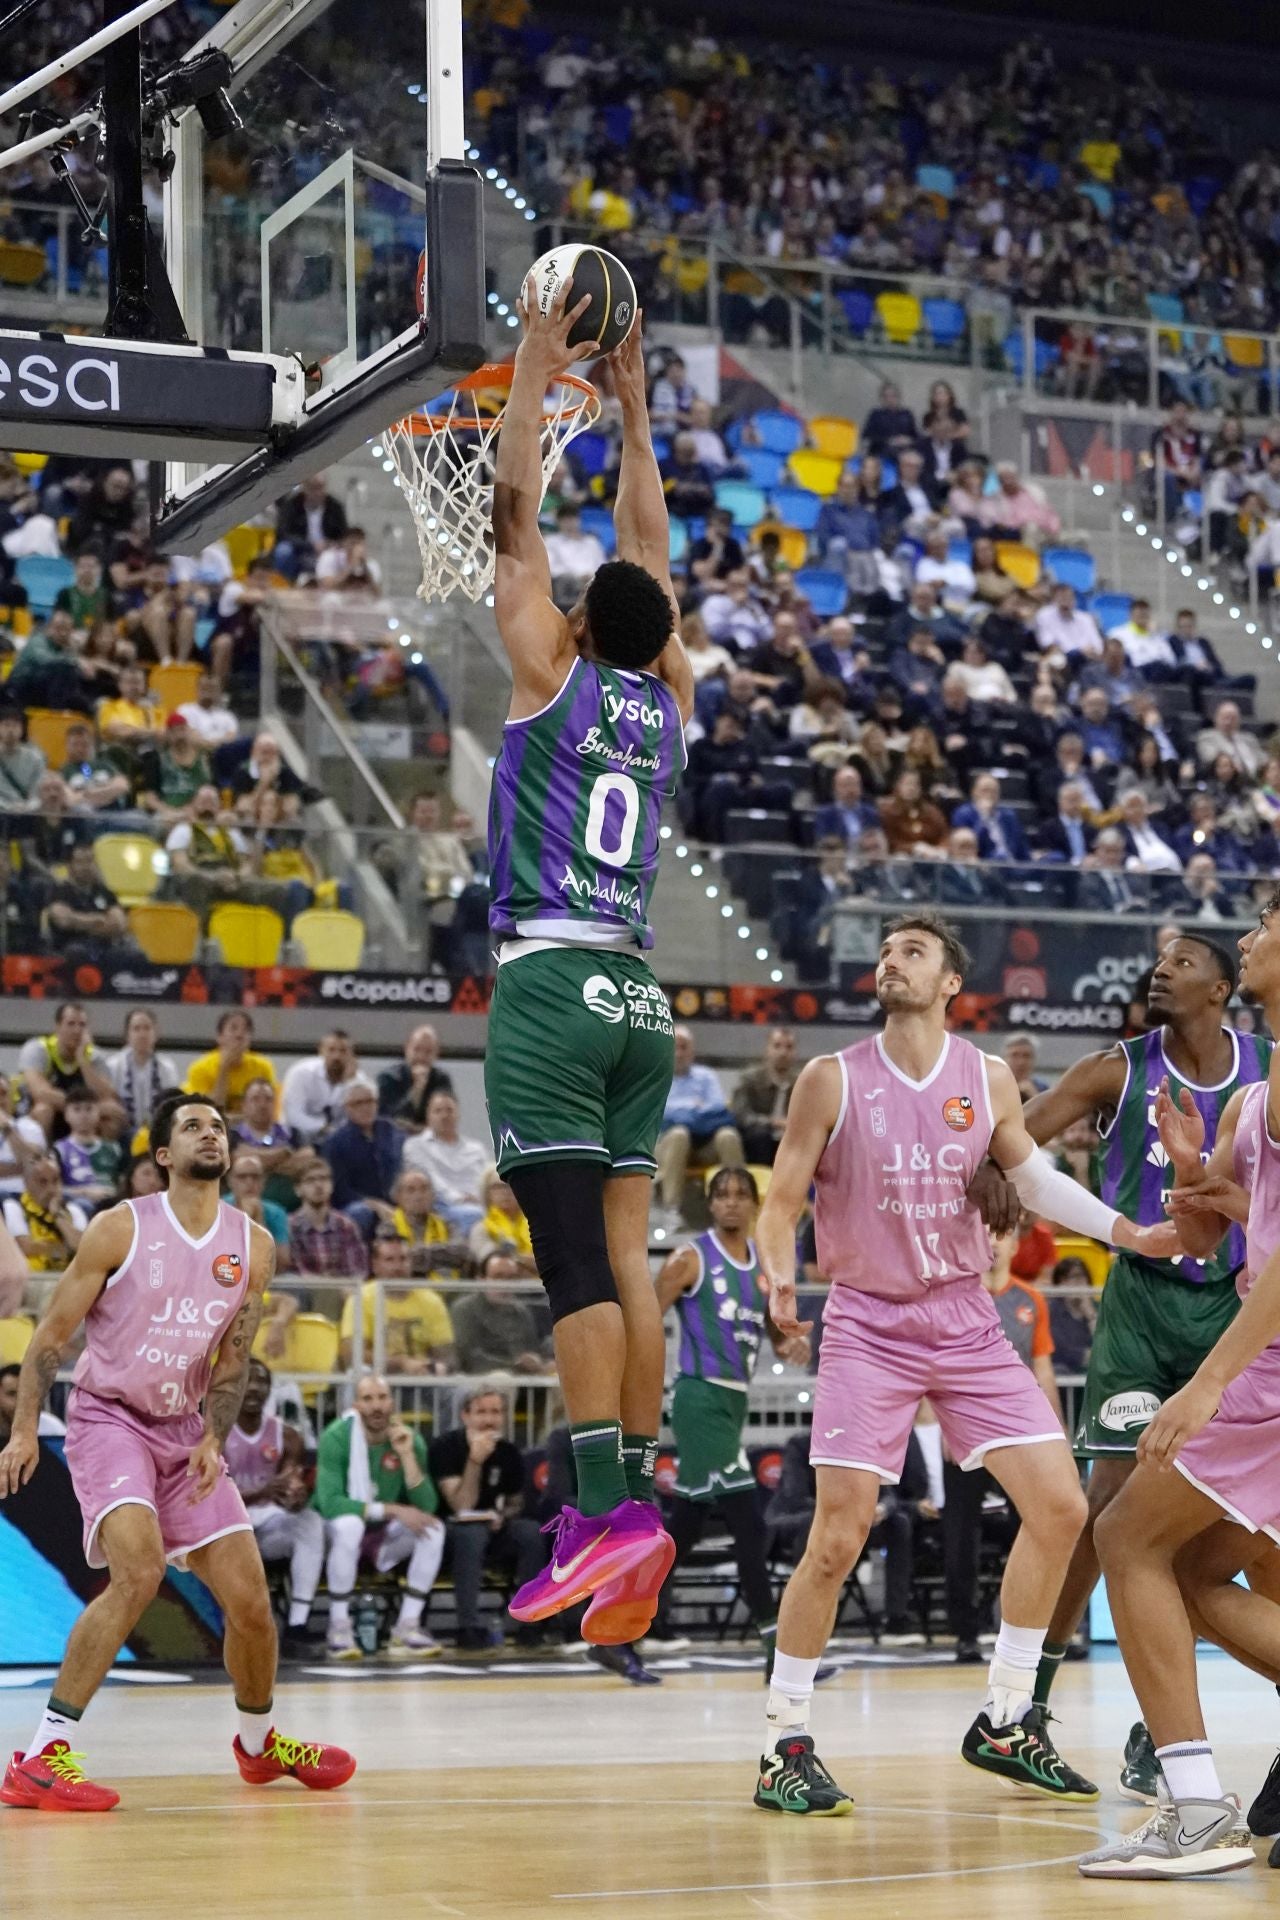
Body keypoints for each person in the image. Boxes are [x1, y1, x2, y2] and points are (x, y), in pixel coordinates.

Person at [751, 910, 1175, 1815]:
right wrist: (778, 1279)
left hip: (964, 1318)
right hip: (867, 1320)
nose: (889, 961)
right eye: (886, 951)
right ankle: (783, 1739)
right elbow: (780, 1199)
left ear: (951, 982)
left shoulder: (984, 1077)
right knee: (838, 1536)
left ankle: (1007, 1717)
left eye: (912, 952)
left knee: (1063, 1509)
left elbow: (1032, 1180)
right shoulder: (831, 1080)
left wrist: (1130, 1231)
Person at [482, 282, 692, 1645]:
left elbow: (511, 516)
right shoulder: (670, 705)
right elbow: (649, 561)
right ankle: (642, 1501)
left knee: (571, 1271)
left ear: (573, 630)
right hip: (642, 998)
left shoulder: (546, 675)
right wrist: (627, 409)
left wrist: (528, 373)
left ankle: (603, 1513)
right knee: (627, 1257)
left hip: (555, 985)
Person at [0, 1090, 353, 1809]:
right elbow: (50, 1337)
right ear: (164, 1154)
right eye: (193, 1126)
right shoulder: (118, 1228)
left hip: (185, 1430)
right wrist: (24, 1427)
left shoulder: (253, 1244)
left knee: (252, 1604)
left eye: (217, 1125)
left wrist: (215, 1437)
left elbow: (234, 1362)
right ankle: (41, 1754)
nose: (210, 1133)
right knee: (137, 1573)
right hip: (109, 1420)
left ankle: (258, 1750)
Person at [1014, 933, 1271, 1801]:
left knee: (1186, 1548)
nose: (1164, 966)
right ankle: (1033, 1711)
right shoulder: (1121, 1070)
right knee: (1122, 1522)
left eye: (1187, 959)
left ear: (1228, 988)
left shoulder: (1264, 1071)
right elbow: (1013, 1150)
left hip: (1240, 1322)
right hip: (1146, 1301)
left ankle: (1183, 1768)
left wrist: (1207, 1385)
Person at [1078, 900, 1280, 1878]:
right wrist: (1193, 1172)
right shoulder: (1248, 1099)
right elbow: (1220, 1232)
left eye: (1263, 929)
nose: (1247, 941)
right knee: (1194, 1577)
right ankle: (1196, 1800)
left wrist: (1204, 1385)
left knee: (1122, 1535)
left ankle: (1196, 1809)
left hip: (1263, 1363)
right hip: (1264, 1349)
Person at [652, 1168, 809, 1663]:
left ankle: (618, 1627)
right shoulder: (689, 1257)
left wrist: (788, 1343)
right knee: (748, 1524)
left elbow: (770, 1326)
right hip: (700, 1399)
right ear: (711, 1204)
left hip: (733, 1400)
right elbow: (646, 1313)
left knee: (688, 1525)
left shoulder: (762, 1265)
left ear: (755, 1206)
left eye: (742, 1196)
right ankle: (775, 1650)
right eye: (723, 1195)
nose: (732, 1204)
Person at [313, 1372, 444, 1660]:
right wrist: (393, 1509)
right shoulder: (336, 1437)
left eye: (382, 1398)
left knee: (434, 1529)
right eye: (368, 1399)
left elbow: (428, 1506)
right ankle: (339, 1627)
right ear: (356, 1405)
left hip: (380, 1535)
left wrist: (408, 1456)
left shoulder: (408, 1439)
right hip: (333, 1535)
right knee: (350, 1525)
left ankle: (407, 1627)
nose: (376, 1406)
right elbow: (330, 1504)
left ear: (392, 1403)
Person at [428, 1383, 547, 1650]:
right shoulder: (445, 1447)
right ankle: (467, 1626)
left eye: (495, 1412)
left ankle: (530, 1622)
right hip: (449, 1532)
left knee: (530, 1533)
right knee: (471, 1533)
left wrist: (503, 1516)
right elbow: (460, 1504)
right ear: (465, 1416)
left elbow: (516, 1502)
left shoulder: (509, 1452)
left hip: (492, 1527)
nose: (489, 1419)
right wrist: (475, 1461)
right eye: (481, 1412)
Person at [224, 1358, 325, 1654]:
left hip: (266, 1527)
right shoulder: (215, 1432)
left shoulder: (287, 1435)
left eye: (262, 1382)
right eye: (248, 1381)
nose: (255, 1388)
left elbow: (290, 1483)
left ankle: (297, 1625)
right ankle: (230, 1630)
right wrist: (262, 1491)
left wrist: (294, 1496)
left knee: (310, 1522)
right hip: (226, 1526)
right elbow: (207, 1496)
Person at [653, 1028, 746, 1225]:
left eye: (684, 1047)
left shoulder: (706, 1076)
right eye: (675, 1047)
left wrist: (681, 1113)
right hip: (668, 1145)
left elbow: (718, 1108)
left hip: (705, 1143)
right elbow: (660, 1113)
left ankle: (739, 1201)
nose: (679, 1053)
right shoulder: (657, 1075)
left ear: (692, 1051)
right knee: (680, 1134)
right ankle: (672, 1209)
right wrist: (693, 1108)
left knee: (727, 1135)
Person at [338, 1231, 455, 1373]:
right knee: (359, 1372)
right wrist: (401, 1364)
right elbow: (352, 1355)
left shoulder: (432, 1300)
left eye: (403, 1259)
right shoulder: (360, 1299)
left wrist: (433, 1367)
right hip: (376, 1382)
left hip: (423, 1380)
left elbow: (447, 1356)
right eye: (389, 1260)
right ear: (375, 1265)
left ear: (411, 1262)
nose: (398, 1267)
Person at [18, 1002, 122, 1143]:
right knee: (43, 1110)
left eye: (82, 1025)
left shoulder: (95, 1055)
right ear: (58, 1027)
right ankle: (46, 1160)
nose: (77, 1030)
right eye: (71, 1024)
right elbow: (41, 1093)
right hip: (48, 1115)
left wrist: (82, 1059)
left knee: (111, 1116)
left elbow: (106, 1096)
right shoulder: (37, 1049)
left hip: (82, 1117)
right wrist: (85, 1108)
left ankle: (101, 1160)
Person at [401, 1090, 489, 1232]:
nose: (444, 1116)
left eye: (449, 1110)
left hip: (480, 1203)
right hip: (441, 1206)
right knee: (474, 1215)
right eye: (438, 1111)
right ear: (428, 1116)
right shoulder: (415, 1145)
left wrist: (480, 1199)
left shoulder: (476, 1148)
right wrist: (461, 1199)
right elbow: (430, 1180)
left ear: (458, 1114)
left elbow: (486, 1179)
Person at [451, 1266, 554, 1375]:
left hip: (521, 1376)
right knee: (501, 1378)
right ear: (481, 1280)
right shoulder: (464, 1309)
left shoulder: (521, 1311)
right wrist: (514, 1364)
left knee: (556, 1374)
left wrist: (539, 1361)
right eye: (498, 1277)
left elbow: (532, 1348)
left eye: (511, 1278)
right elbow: (469, 1357)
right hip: (480, 1377)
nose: (505, 1284)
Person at [323, 1080, 402, 1221]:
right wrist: (374, 1204)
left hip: (395, 1200)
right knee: (361, 1212)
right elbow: (340, 1190)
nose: (365, 1108)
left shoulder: (391, 1131)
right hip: (355, 1205)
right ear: (347, 1108)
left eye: (370, 1101)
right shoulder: (336, 1142)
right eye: (358, 1103)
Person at [287, 1162, 367, 1288]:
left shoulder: (346, 1225)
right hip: (307, 1296)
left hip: (344, 1295)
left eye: (323, 1179)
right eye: (310, 1180)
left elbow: (356, 1271)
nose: (318, 1185)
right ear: (298, 1189)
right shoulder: (290, 1227)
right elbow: (297, 1274)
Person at [185, 1011, 278, 1119]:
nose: (239, 1035)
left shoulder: (263, 1066)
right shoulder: (200, 1068)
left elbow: (267, 1113)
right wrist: (223, 1068)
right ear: (219, 1037)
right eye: (233, 1028)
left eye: (246, 1030)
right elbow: (207, 1113)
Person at [104, 1010, 180, 1137]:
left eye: (147, 1028)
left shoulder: (167, 1067)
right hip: (122, 1132)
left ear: (156, 1034)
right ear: (127, 1035)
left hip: (157, 1133)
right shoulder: (113, 1065)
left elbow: (172, 1106)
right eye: (136, 1029)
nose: (142, 1034)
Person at [731, 1028, 800, 1164]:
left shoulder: (802, 1082)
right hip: (757, 1140)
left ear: (795, 1053)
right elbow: (740, 1115)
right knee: (760, 1135)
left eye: (789, 1047)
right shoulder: (749, 1078)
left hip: (788, 1138)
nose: (783, 1052)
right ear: (767, 1050)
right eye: (777, 1046)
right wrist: (772, 1123)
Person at [377, 1024, 454, 1130]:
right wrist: (417, 1090)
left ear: (436, 1054)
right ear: (407, 1049)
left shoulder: (441, 1080)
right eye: (417, 1049)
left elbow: (444, 1120)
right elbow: (388, 1120)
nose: (421, 1057)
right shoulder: (388, 1078)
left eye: (428, 1052)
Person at [53, 1091, 123, 1207]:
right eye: (77, 1109)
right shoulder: (59, 1149)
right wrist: (84, 1192)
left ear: (98, 1113)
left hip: (112, 1203)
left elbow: (123, 1183)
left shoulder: (114, 1148)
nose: (83, 1115)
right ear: (66, 1115)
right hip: (77, 1204)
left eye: (89, 1109)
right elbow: (55, 1189)